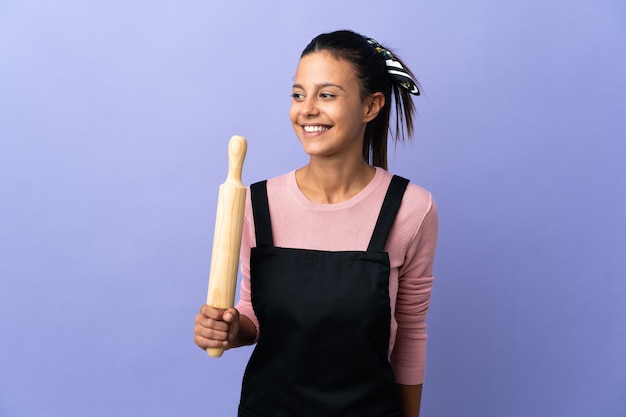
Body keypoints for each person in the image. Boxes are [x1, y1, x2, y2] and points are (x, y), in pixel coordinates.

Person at [194, 29, 438, 417]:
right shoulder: (256, 204)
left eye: (326, 94)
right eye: (297, 94)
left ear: (371, 106)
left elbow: (408, 333)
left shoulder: (411, 208)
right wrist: (229, 328)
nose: (306, 109)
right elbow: (254, 314)